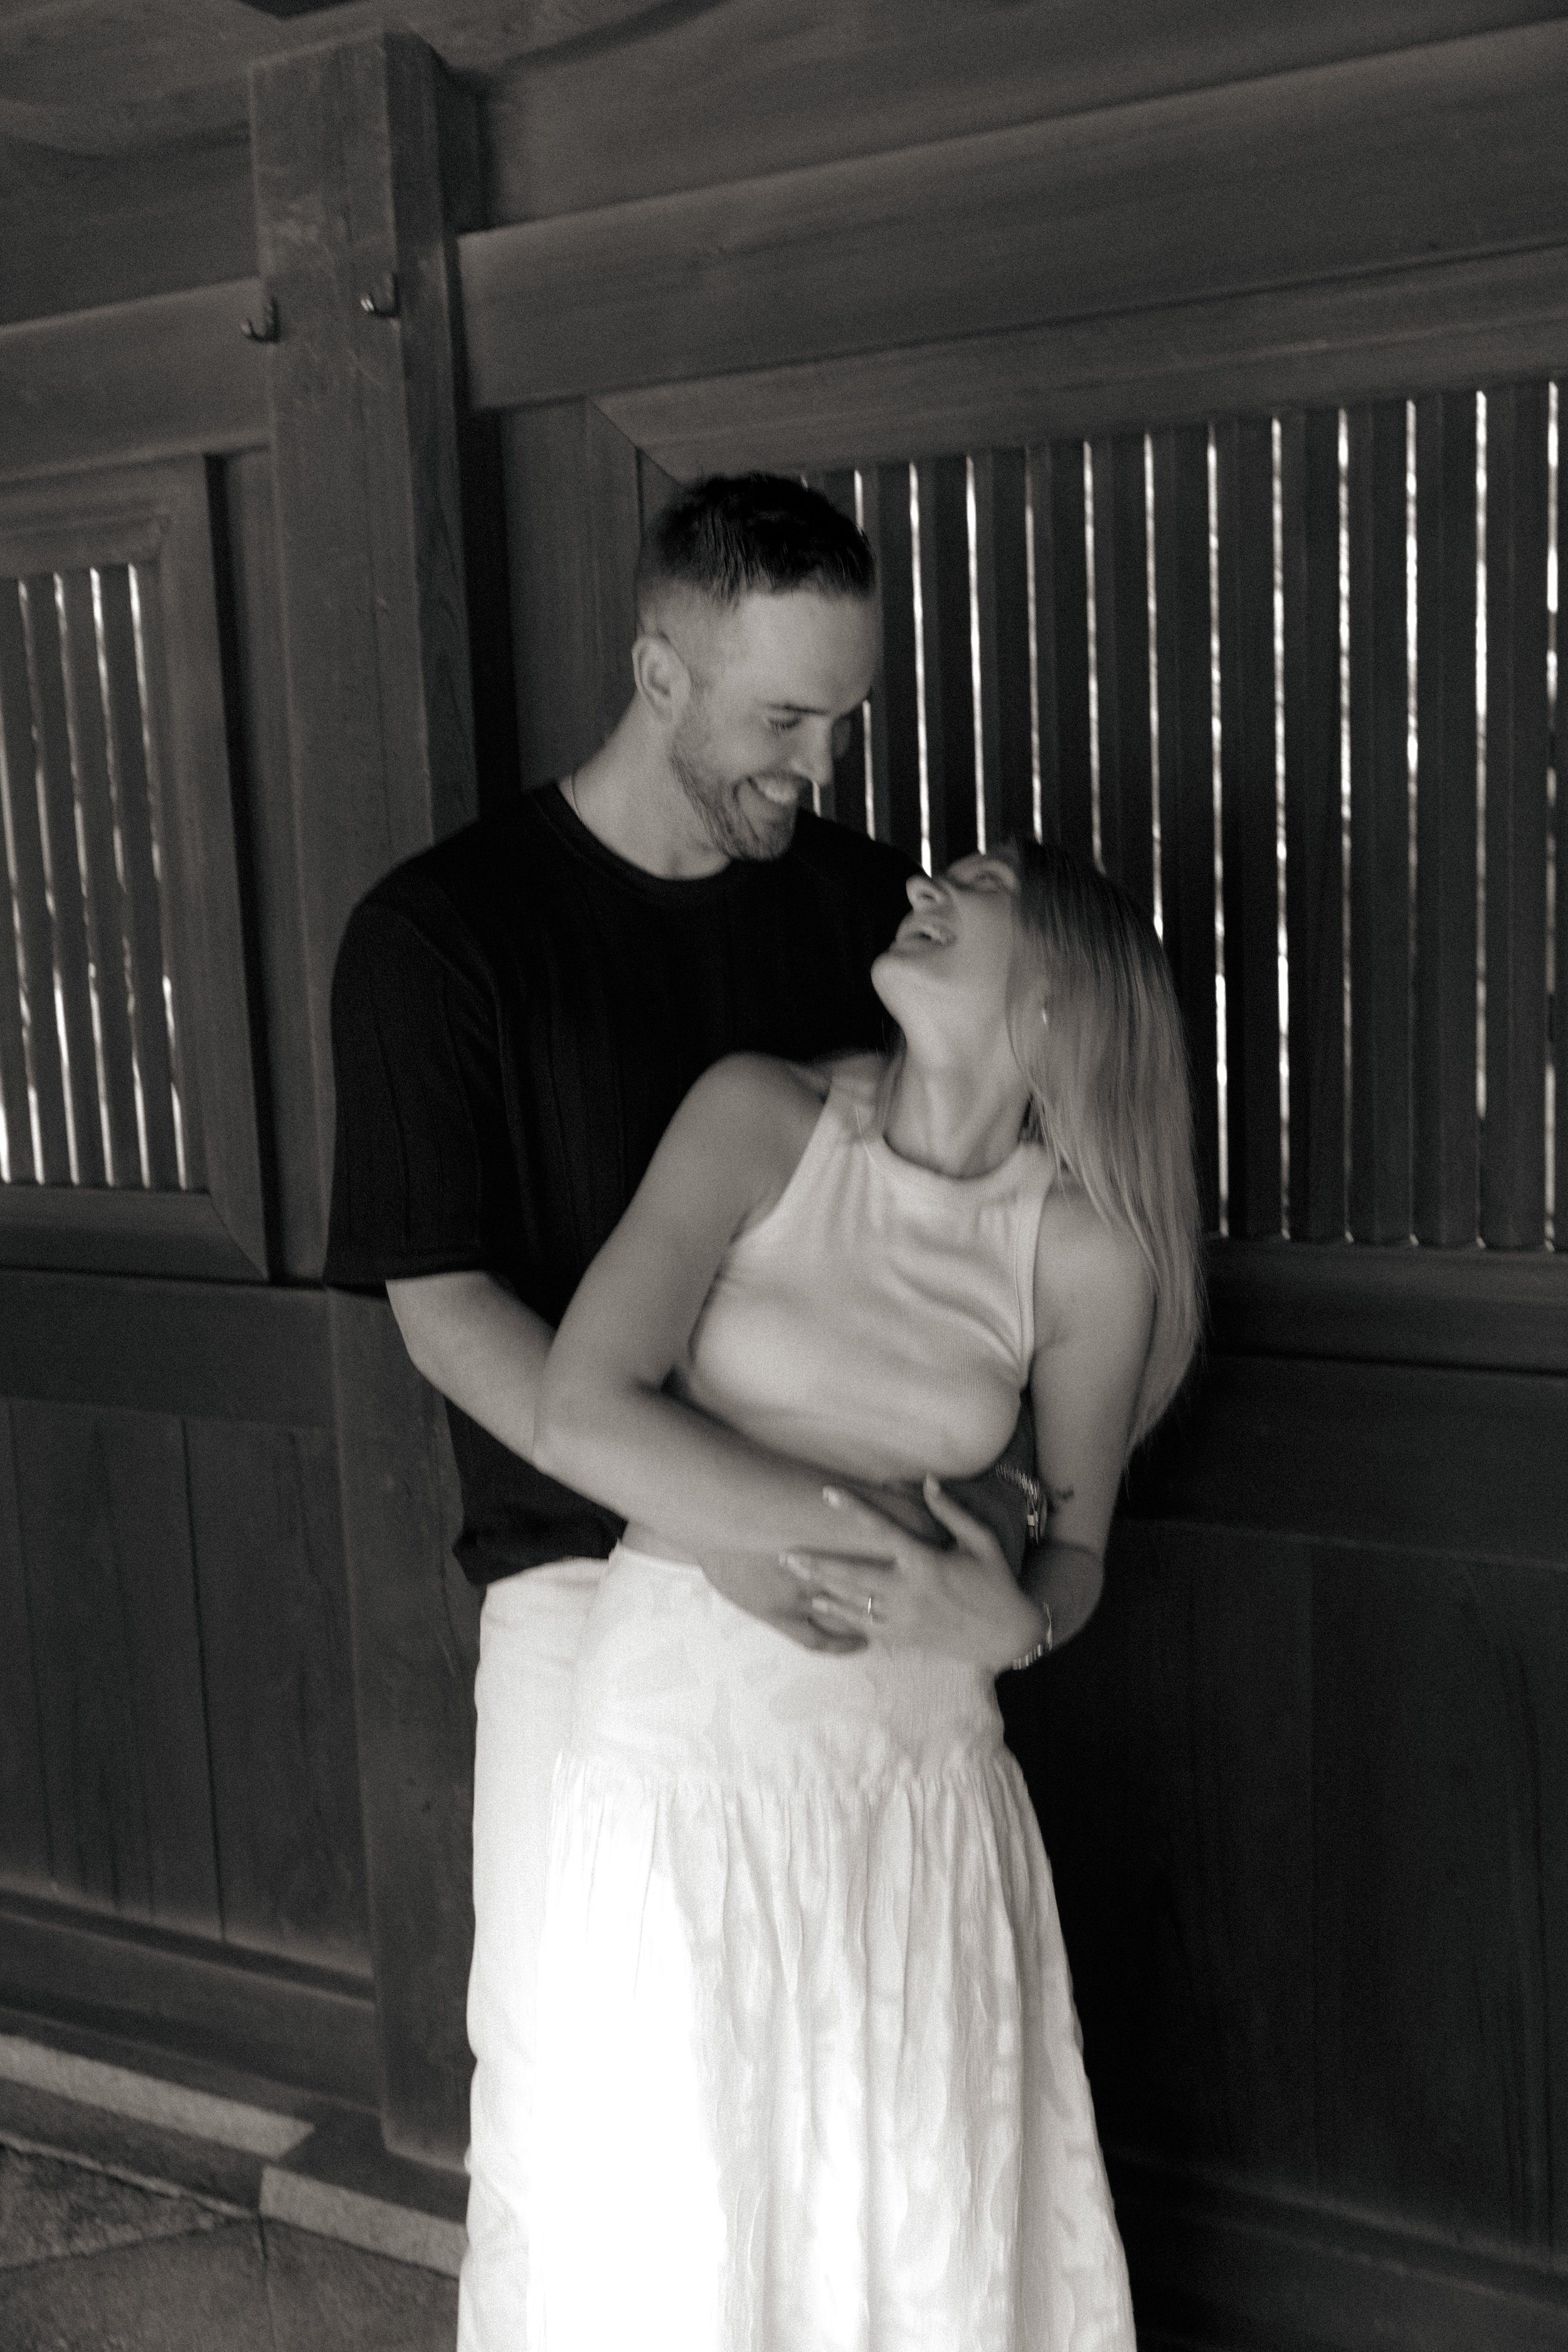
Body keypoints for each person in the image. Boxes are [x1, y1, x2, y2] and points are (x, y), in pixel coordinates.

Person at [325, 475, 1031, 2348]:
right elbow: (445, 1309)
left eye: (843, 719)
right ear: (658, 673)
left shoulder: (860, 915)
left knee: (853, 2107)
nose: (818, 767)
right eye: (782, 717)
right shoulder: (438, 935)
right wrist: (698, 1523)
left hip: (854, 1600)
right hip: (579, 1591)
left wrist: (1001, 1536)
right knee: (581, 2116)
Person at [526, 839, 1202, 2349]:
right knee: (683, 2193)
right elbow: (581, 1410)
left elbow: (1075, 1554)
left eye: (978, 887)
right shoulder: (758, 1116)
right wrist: (840, 1532)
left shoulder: (1084, 1252)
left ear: (1058, 993)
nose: (923, 891)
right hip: (681, 1750)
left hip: (910, 1781)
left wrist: (1017, 1623)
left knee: (906, 2191)